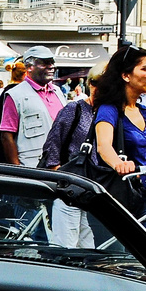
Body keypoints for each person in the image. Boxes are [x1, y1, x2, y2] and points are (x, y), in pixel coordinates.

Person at [89, 46, 146, 242]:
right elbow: (104, 146)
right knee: (113, 262)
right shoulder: (108, 109)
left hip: (141, 194)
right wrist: (119, 163)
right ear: (126, 75)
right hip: (114, 197)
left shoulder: (143, 111)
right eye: (145, 69)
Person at [42, 66, 102, 248]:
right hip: (70, 183)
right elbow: (53, 141)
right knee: (66, 245)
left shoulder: (108, 114)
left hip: (91, 188)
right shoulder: (75, 109)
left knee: (87, 246)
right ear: (92, 85)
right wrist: (57, 171)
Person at [0, 46, 61, 166]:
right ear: (29, 67)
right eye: (45, 63)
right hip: (32, 166)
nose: (51, 66)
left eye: (52, 62)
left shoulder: (58, 92)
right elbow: (6, 136)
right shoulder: (15, 94)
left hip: (59, 166)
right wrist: (18, 169)